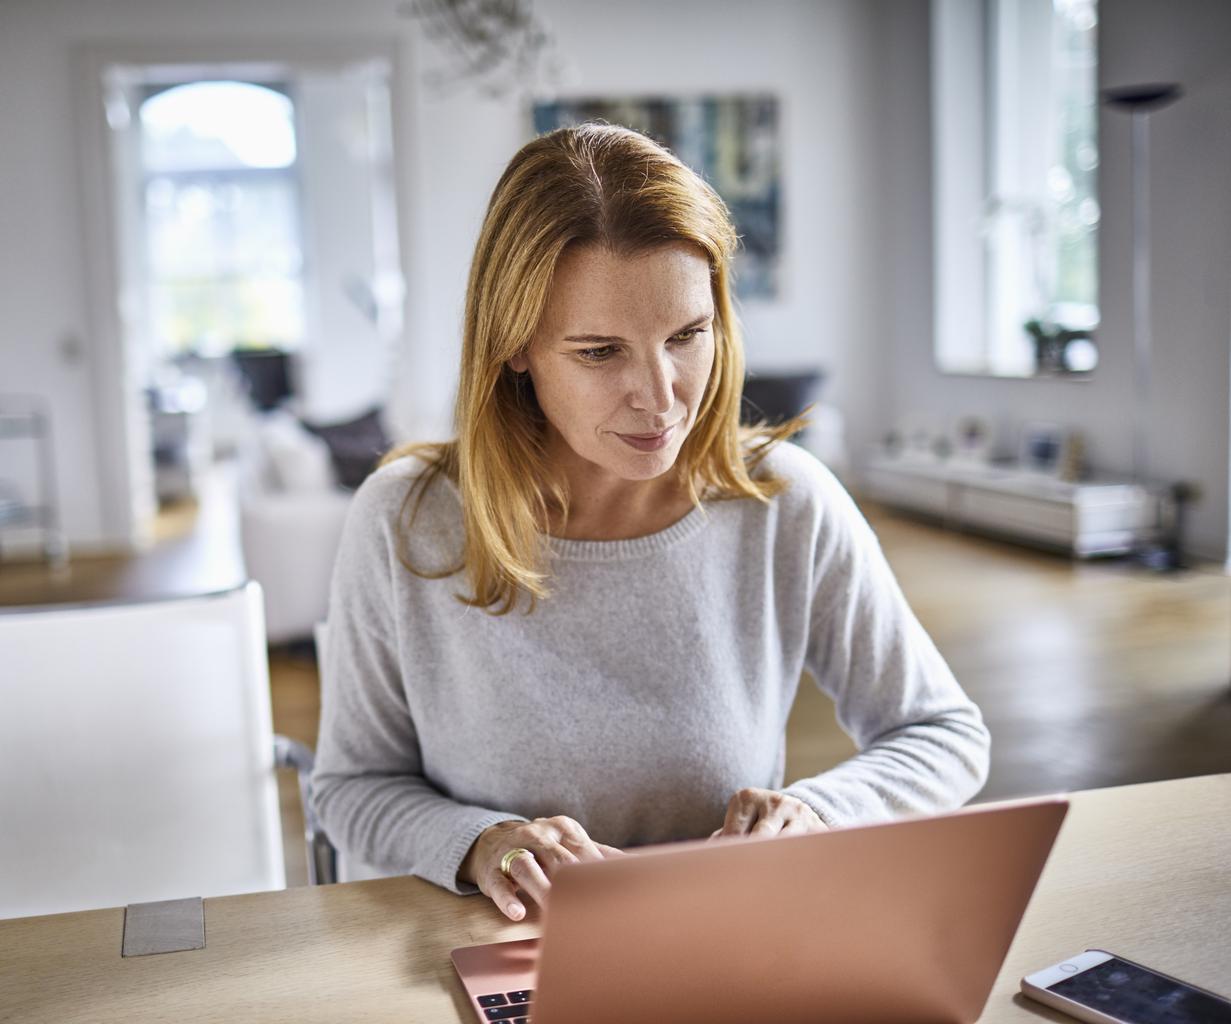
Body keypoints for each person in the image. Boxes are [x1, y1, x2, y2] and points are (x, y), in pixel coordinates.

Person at [312, 123, 990, 923]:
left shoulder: (783, 501)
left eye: (686, 336)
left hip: (724, 948)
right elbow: (350, 791)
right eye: (600, 352)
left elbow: (943, 732)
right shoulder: (405, 519)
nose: (661, 396)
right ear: (515, 347)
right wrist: (480, 842)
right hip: (503, 955)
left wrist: (818, 815)